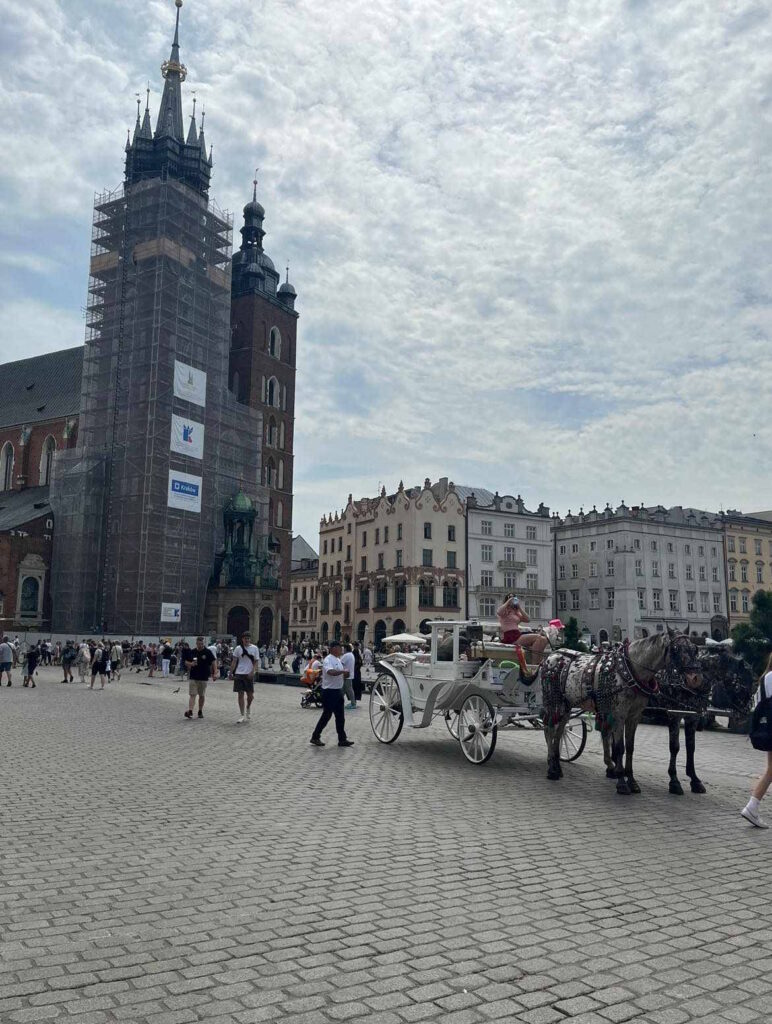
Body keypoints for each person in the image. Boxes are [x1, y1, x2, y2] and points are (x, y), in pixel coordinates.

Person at [741, 652, 772, 829]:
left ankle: (752, 807)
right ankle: (751, 807)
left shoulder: (765, 678)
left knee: (770, 771)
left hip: (767, 729)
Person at [310, 640, 354, 748]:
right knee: (326, 715)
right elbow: (330, 672)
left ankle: (342, 739)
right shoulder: (328, 660)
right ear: (333, 648)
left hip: (338, 690)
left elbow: (339, 675)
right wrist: (342, 672)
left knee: (340, 717)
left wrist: (345, 674)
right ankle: (315, 736)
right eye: (340, 648)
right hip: (329, 691)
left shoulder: (338, 660)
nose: (341, 650)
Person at [496, 594, 548, 674]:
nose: (513, 600)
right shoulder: (504, 611)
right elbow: (498, 611)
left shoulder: (516, 612)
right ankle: (533, 665)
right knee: (538, 637)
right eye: (511, 598)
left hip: (517, 635)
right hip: (510, 637)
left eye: (514, 598)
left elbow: (528, 619)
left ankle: (538, 662)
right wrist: (509, 601)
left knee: (544, 639)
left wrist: (519, 607)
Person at [230, 631, 259, 724]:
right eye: (245, 638)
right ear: (242, 639)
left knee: (250, 696)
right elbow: (234, 661)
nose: (247, 640)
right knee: (240, 694)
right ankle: (242, 714)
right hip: (239, 673)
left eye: (248, 638)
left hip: (249, 674)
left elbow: (256, 662)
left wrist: (253, 672)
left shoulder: (254, 648)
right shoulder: (238, 648)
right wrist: (231, 672)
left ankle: (248, 707)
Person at [183, 636, 216, 719]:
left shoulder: (207, 652)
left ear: (203, 643)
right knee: (192, 694)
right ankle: (190, 711)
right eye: (198, 644)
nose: (199, 645)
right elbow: (186, 661)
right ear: (196, 643)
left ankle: (200, 710)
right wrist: (191, 664)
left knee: (201, 695)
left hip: (203, 676)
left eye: (201, 644)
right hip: (193, 676)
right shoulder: (192, 651)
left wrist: (215, 672)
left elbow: (213, 662)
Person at [341, 643, 357, 710]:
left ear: (345, 649)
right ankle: (338, 701)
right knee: (343, 689)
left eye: (343, 649)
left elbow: (340, 663)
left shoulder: (346, 655)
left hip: (346, 674)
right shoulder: (351, 654)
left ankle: (353, 703)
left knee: (349, 689)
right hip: (349, 674)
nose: (342, 650)